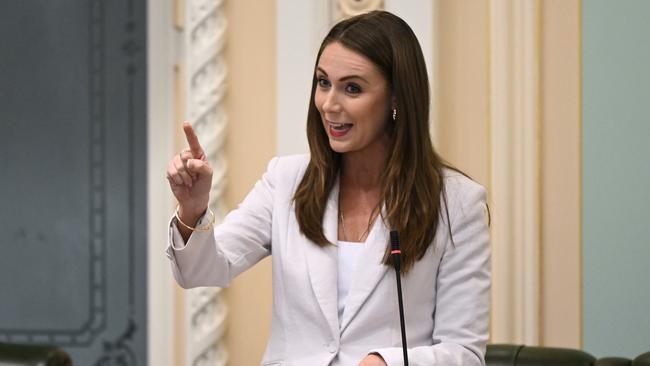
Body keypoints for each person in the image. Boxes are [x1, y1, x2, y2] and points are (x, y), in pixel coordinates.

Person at [165, 10, 490, 366]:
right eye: (323, 83)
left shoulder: (457, 203)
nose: (329, 104)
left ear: (397, 98)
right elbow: (202, 270)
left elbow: (464, 352)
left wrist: (385, 362)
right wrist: (192, 210)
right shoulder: (286, 180)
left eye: (352, 88)